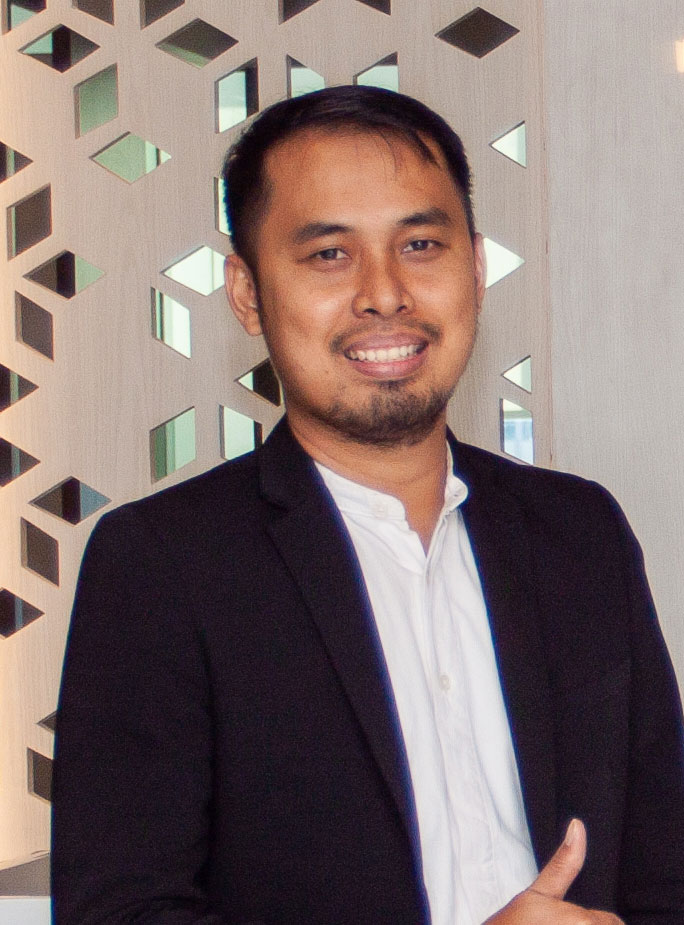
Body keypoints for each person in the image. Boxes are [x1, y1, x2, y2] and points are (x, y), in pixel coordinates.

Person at [51, 86, 684, 924]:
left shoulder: (580, 531)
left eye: (420, 244)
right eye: (328, 254)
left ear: (475, 268)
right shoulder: (163, 564)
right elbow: (121, 913)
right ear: (247, 293)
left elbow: (664, 871)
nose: (385, 293)